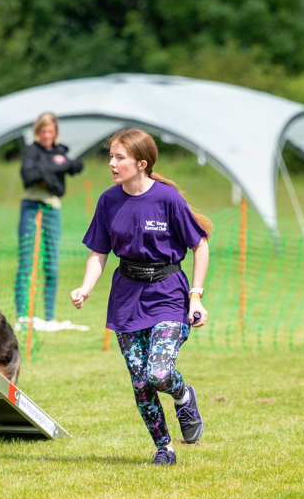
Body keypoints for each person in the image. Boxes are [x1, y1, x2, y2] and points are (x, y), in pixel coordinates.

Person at [70, 128, 213, 466]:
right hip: (126, 299)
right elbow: (99, 252)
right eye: (111, 157)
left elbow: (200, 245)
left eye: (119, 157)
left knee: (159, 373)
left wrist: (196, 296)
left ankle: (182, 394)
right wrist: (86, 286)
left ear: (141, 163)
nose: (112, 163)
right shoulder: (108, 200)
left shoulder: (167, 199)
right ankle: (164, 448)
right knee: (141, 382)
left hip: (168, 295)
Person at [15, 112, 83, 327]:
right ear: (38, 132)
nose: (47, 135)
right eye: (43, 131)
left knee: (52, 265)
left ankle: (49, 316)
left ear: (55, 133)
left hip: (52, 209)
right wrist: (51, 169)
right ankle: (22, 315)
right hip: (30, 206)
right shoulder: (30, 151)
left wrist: (45, 170)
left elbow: (76, 166)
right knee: (27, 262)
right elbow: (27, 175)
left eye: (50, 132)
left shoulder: (60, 151)